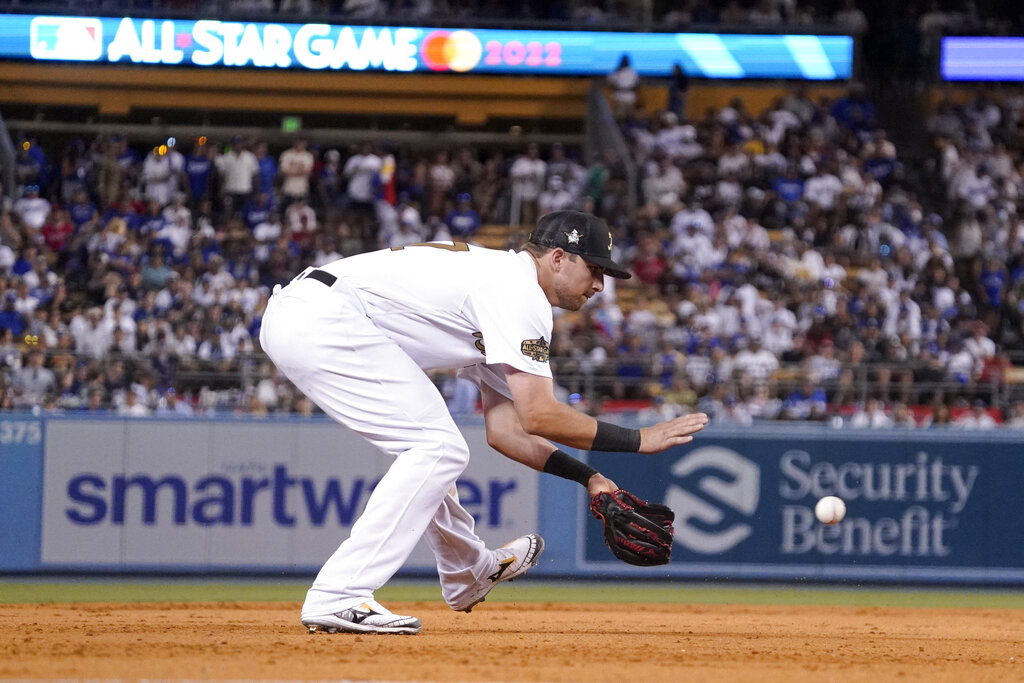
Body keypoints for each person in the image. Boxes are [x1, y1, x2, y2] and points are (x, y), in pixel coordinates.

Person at [259, 210, 708, 635]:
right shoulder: (518, 293)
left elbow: (508, 430)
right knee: (438, 448)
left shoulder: (503, 293)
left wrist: (590, 478)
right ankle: (339, 594)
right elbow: (540, 414)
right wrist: (638, 439)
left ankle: (468, 573)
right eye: (594, 269)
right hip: (323, 318)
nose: (599, 285)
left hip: (316, 316)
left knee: (435, 449)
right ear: (557, 258)